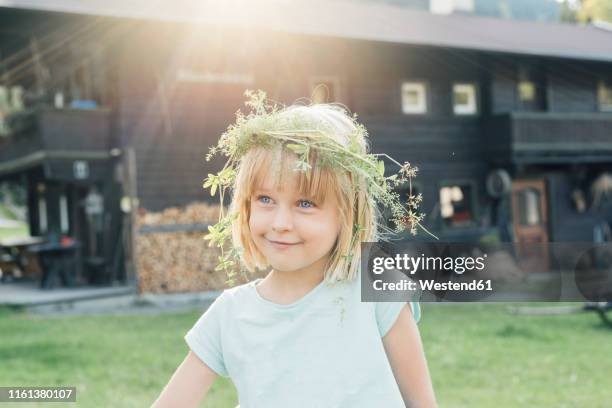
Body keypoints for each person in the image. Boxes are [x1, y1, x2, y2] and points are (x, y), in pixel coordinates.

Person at [152, 90, 437, 407]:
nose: (281, 222)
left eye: (305, 203)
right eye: (265, 200)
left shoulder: (376, 289)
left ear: (348, 212)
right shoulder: (230, 314)